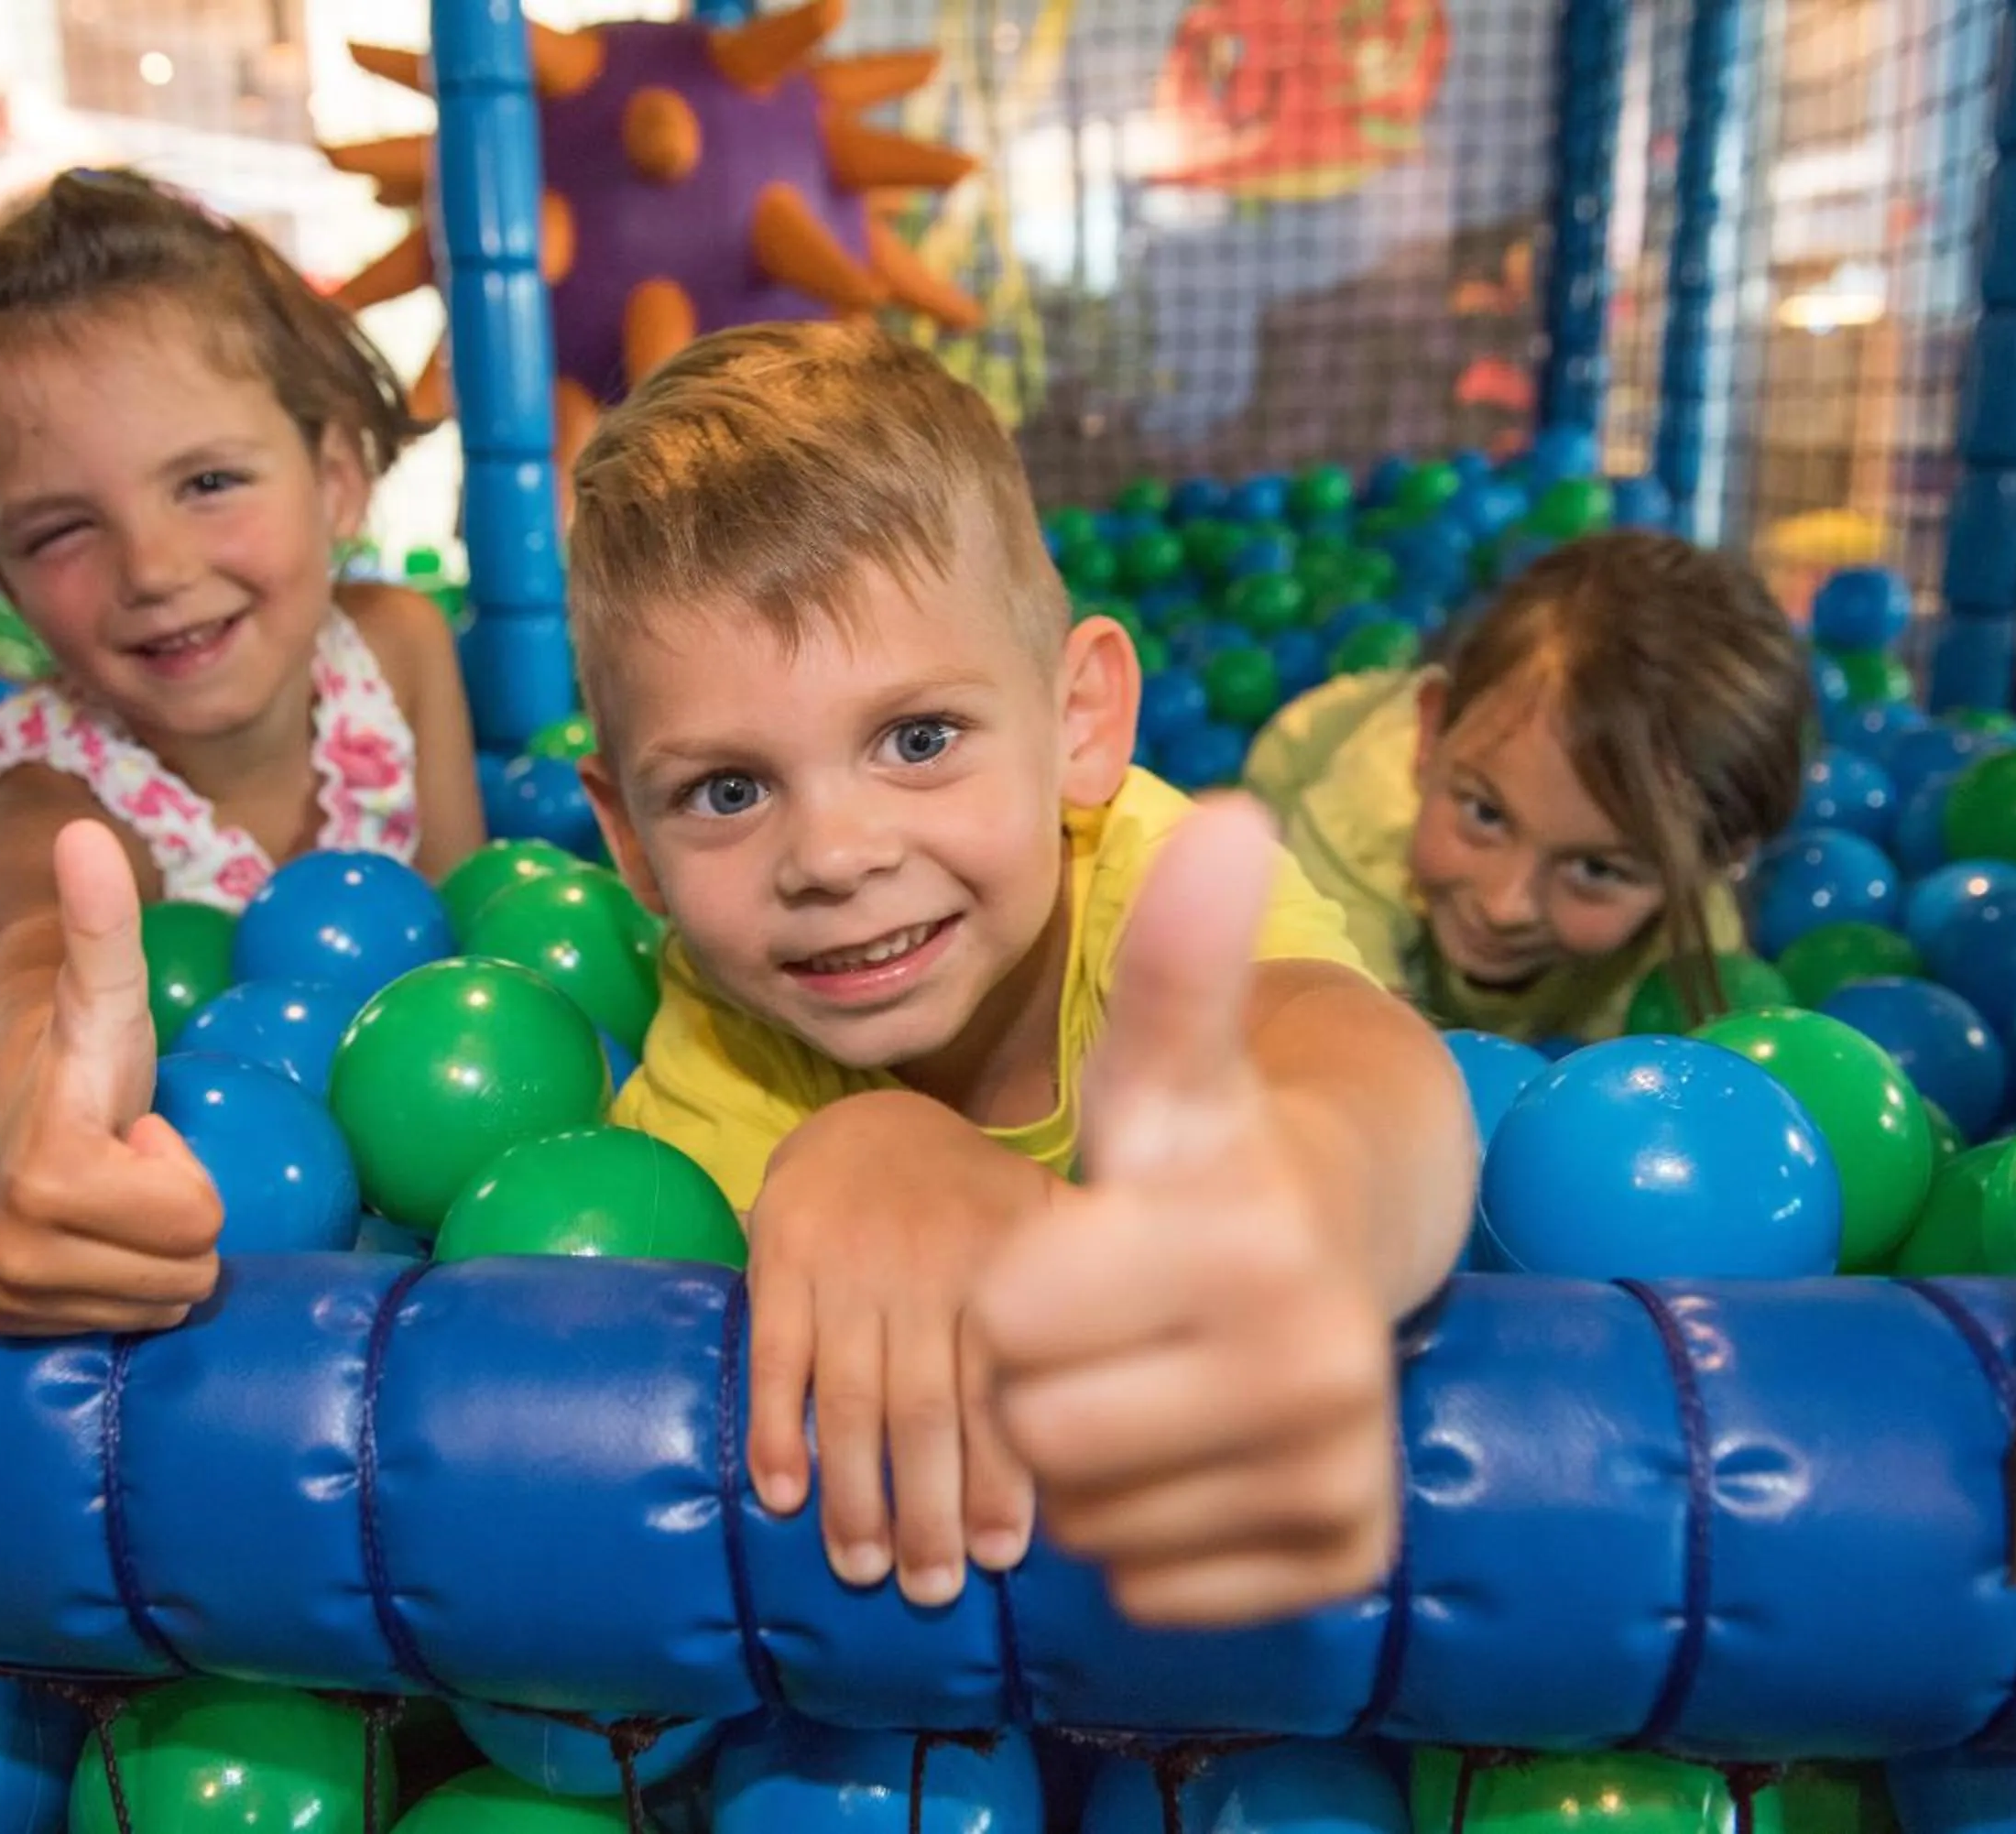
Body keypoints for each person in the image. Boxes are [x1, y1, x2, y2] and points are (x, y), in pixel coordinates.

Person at [567, 321, 1477, 1629]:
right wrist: (860, 1154)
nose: (832, 853)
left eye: (918, 737)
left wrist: (1286, 1213)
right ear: (629, 842)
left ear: (1079, 721)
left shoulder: (1160, 894)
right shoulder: (717, 1041)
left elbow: (1374, 1073)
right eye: (727, 788)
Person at [0, 168, 483, 1336]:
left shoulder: (402, 647)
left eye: (209, 481)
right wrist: (39, 1102)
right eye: (64, 527)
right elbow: (26, 956)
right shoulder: (42, 793)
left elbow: (467, 928)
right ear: (4, 572)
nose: (155, 567)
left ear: (334, 482)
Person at [1244, 530, 1812, 1043]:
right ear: (1431, 735)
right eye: (1486, 815)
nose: (1504, 905)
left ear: (1706, 867)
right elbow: (1344, 1034)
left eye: (1597, 869)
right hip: (1301, 763)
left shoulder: (1692, 947)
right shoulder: (1363, 813)